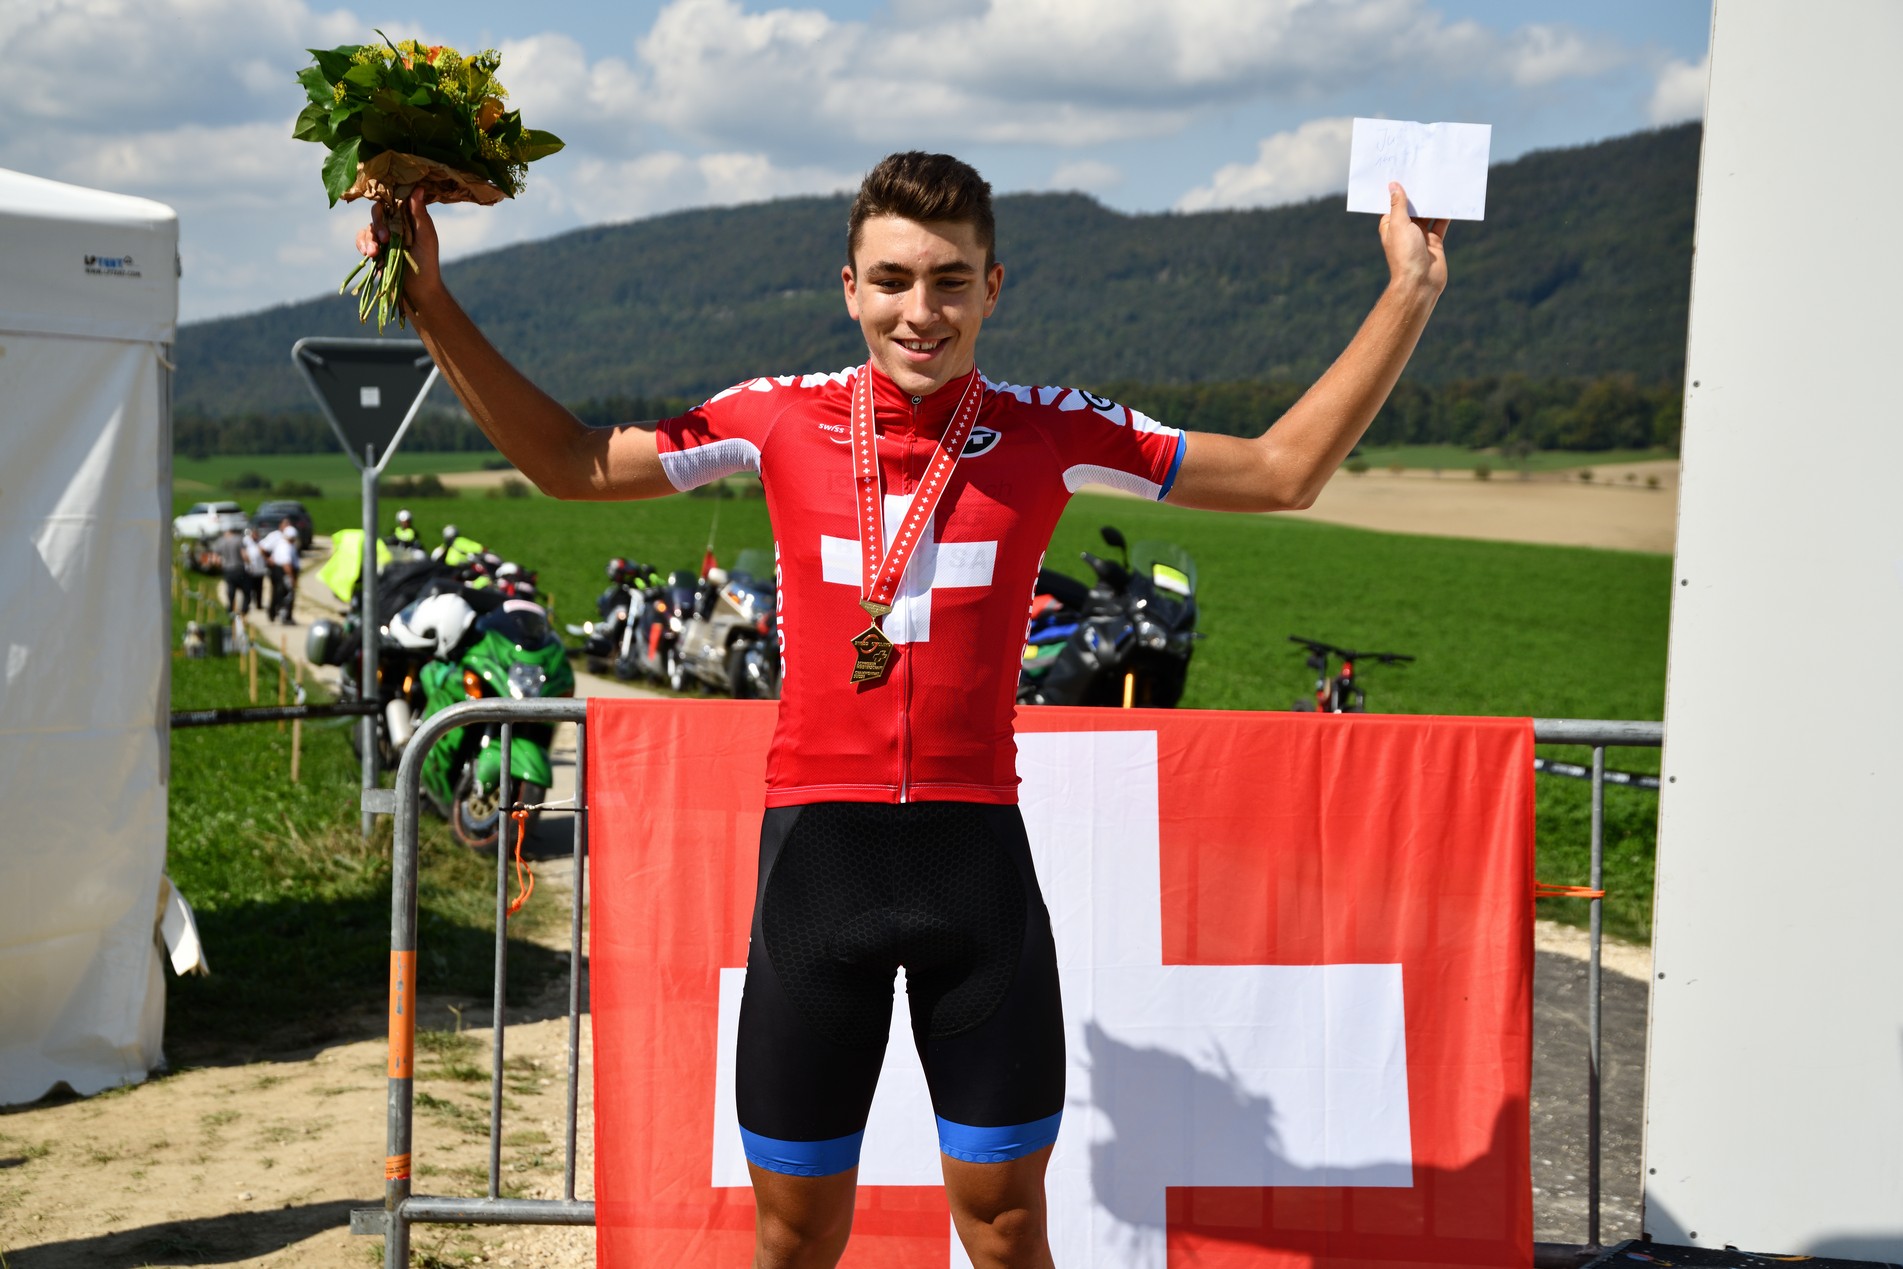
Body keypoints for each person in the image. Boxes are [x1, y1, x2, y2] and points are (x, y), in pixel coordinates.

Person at [363, 151, 1447, 1269]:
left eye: (949, 280)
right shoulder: (775, 415)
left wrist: (1408, 294)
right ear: (849, 288)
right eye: (890, 280)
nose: (919, 311)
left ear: (992, 287)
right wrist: (430, 299)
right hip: (816, 871)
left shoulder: (1051, 428)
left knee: (1007, 1229)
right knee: (792, 1239)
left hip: (975, 871)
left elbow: (1280, 470)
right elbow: (572, 463)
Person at [259, 517, 300, 624]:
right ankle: (276, 613)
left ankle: (277, 612)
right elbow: (262, 547)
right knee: (280, 592)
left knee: (280, 592)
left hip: (283, 567)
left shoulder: (287, 542)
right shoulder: (276, 536)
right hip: (279, 569)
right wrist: (268, 559)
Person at [213, 525, 248, 616]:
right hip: (239, 568)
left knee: (231, 589)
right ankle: (244, 610)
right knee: (246, 591)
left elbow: (215, 559)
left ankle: (230, 608)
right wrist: (249, 563)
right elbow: (244, 555)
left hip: (227, 569)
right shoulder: (238, 539)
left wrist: (220, 567)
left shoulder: (221, 541)